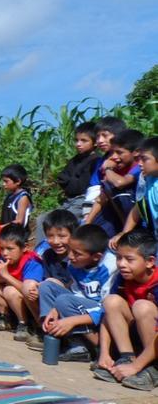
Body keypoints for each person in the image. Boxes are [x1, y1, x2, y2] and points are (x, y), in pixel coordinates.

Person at [39, 224, 117, 362]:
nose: (70, 256)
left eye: (77, 254)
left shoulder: (110, 267)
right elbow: (76, 292)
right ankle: (70, 342)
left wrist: (72, 320)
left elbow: (107, 308)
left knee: (64, 300)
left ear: (96, 257)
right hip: (82, 305)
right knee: (47, 287)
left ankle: (101, 347)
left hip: (103, 313)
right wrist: (55, 309)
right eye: (70, 250)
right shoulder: (74, 264)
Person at [95, 229, 158, 390]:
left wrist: (137, 366)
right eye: (118, 258)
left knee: (142, 307)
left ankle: (153, 368)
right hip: (142, 339)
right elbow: (106, 316)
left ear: (150, 261)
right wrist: (104, 353)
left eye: (129, 259)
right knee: (111, 301)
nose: (121, 264)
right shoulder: (122, 278)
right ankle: (126, 358)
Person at [23, 209, 79, 350]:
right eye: (50, 236)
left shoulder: (77, 257)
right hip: (54, 296)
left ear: (73, 235)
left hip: (74, 299)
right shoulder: (48, 255)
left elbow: (78, 286)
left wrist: (52, 285)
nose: (56, 242)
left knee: (47, 285)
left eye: (62, 236)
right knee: (32, 288)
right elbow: (47, 279)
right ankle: (45, 329)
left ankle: (52, 335)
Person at [0, 224, 42, 337]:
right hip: (15, 303)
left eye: (10, 249)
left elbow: (28, 291)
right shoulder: (3, 259)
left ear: (25, 247)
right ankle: (6, 319)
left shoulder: (32, 263)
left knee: (10, 290)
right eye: (2, 248)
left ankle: (25, 325)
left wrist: (7, 276)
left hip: (33, 305)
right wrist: (3, 277)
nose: (5, 253)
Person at [85, 130, 144, 236]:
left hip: (140, 223)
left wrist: (107, 168)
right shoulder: (115, 170)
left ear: (136, 152)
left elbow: (120, 183)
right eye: (112, 152)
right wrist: (87, 223)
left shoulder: (140, 169)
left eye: (119, 152)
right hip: (120, 219)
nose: (113, 157)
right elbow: (101, 199)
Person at [110, 136, 158, 248]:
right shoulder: (146, 178)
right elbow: (138, 207)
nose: (140, 163)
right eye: (138, 159)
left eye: (145, 159)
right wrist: (124, 232)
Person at [57, 121, 101, 217]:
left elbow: (81, 187)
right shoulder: (75, 160)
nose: (78, 144)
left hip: (83, 201)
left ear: (95, 143)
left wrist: (70, 182)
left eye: (84, 141)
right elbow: (61, 178)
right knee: (43, 219)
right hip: (69, 201)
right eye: (76, 140)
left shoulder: (96, 161)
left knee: (64, 219)